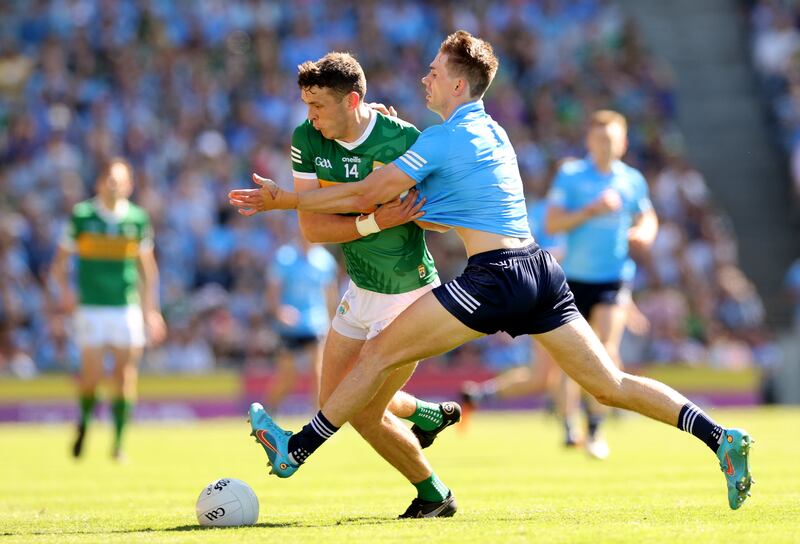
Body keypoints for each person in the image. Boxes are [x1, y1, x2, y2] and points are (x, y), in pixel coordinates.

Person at [229, 31, 755, 511]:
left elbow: (369, 195)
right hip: (540, 270)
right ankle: (719, 438)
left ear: (457, 83)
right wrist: (380, 153)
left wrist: (283, 202)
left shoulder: (439, 140)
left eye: (433, 72)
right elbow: (423, 205)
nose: (424, 78)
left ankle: (295, 449)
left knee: (376, 353)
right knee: (610, 384)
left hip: (495, 276)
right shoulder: (493, 132)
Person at [250, 52, 462, 518]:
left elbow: (445, 223)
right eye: (306, 105)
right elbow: (314, 229)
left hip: (408, 294)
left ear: (353, 100)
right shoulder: (306, 139)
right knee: (334, 403)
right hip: (360, 288)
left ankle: (435, 495)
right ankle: (425, 414)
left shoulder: (404, 139)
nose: (311, 117)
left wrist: (422, 210)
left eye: (319, 106)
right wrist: (374, 220)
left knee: (361, 414)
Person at [542, 110, 659, 459]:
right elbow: (553, 221)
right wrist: (590, 211)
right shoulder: (571, 175)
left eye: (611, 139)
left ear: (622, 142)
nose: (605, 145)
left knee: (607, 350)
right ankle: (568, 424)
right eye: (599, 138)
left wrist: (645, 233)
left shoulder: (632, 179)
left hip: (613, 277)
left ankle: (595, 429)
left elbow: (647, 215)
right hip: (575, 278)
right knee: (572, 356)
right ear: (589, 141)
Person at [50, 157, 166, 460]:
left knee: (125, 376)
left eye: (120, 180)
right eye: (109, 180)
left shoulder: (137, 219)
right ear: (99, 183)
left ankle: (118, 444)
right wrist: (65, 294)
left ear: (129, 185)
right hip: (90, 308)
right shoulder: (82, 216)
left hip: (125, 307)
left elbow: (147, 270)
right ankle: (85, 423)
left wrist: (151, 311)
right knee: (91, 377)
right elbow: (59, 265)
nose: (114, 186)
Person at [264, 235, 339, 412]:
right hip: (289, 326)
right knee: (287, 377)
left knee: (318, 371)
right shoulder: (284, 257)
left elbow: (330, 294)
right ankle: (267, 412)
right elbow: (273, 289)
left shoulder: (325, 260)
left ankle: (317, 419)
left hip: (315, 323)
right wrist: (279, 311)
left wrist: (333, 323)